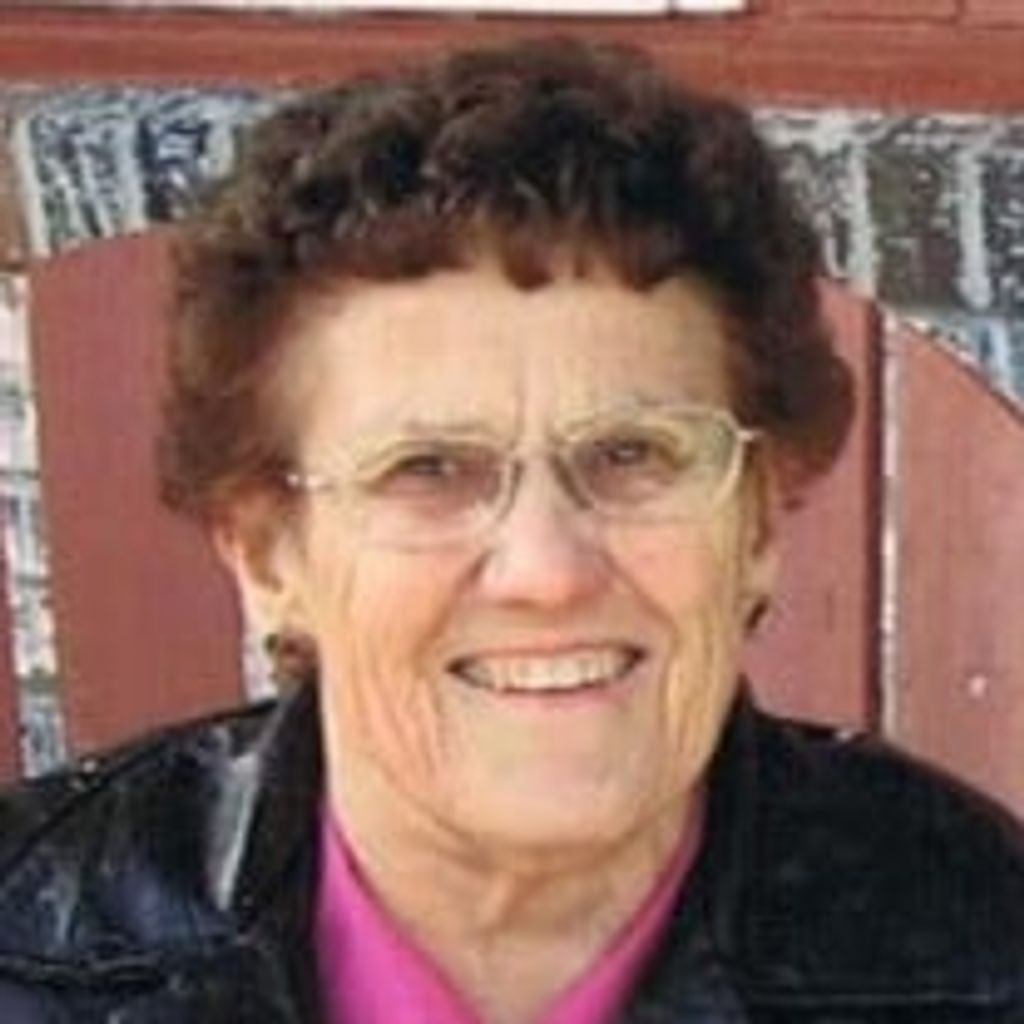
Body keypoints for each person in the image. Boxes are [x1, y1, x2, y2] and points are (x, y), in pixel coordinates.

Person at [0, 36, 1021, 1024]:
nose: (547, 571)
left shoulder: (981, 950)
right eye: (428, 469)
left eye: (632, 454)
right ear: (271, 554)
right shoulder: (33, 951)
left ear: (755, 520)